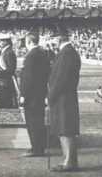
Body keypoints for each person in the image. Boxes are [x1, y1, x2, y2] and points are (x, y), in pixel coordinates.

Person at [48, 25, 81, 172]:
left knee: (66, 129)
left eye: (53, 38)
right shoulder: (67, 52)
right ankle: (67, 160)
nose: (52, 41)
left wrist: (50, 96)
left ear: (60, 38)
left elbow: (60, 79)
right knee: (63, 129)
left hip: (64, 98)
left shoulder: (66, 53)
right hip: (64, 97)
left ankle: (70, 162)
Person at [19, 32, 50, 157]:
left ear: (30, 42)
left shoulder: (31, 55)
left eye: (26, 42)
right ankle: (39, 147)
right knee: (39, 121)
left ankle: (36, 149)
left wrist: (23, 95)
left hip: (31, 95)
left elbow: (28, 78)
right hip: (40, 93)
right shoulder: (43, 53)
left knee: (32, 122)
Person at [0, 33, 17, 108]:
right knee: (3, 103)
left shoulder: (9, 52)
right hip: (3, 82)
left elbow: (11, 70)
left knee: (5, 104)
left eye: (1, 41)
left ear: (6, 42)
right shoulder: (4, 51)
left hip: (6, 82)